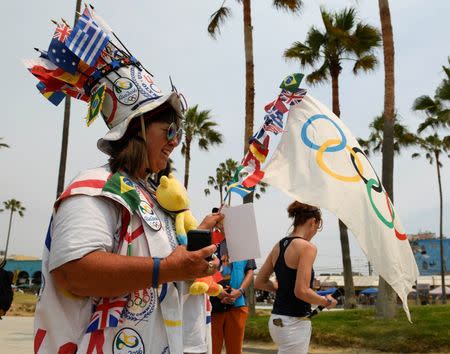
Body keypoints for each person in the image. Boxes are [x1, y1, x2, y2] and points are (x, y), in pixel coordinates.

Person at [30, 10, 222, 354]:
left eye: (180, 132)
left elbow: (165, 271)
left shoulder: (151, 197)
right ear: (137, 129)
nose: (176, 141)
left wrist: (196, 244)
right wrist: (167, 268)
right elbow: (73, 270)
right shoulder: (93, 186)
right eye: (170, 130)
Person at [255, 201, 337, 354]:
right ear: (313, 222)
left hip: (276, 320)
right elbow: (301, 291)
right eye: (317, 228)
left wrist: (280, 288)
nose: (315, 232)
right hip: (294, 323)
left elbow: (259, 282)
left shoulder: (279, 245)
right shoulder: (307, 247)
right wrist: (326, 302)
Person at [210, 207, 257, 354]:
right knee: (212, 349)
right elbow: (205, 269)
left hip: (238, 304)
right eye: (221, 220)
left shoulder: (244, 243)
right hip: (213, 304)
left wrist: (240, 291)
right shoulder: (210, 242)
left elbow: (250, 271)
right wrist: (217, 292)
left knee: (235, 350)